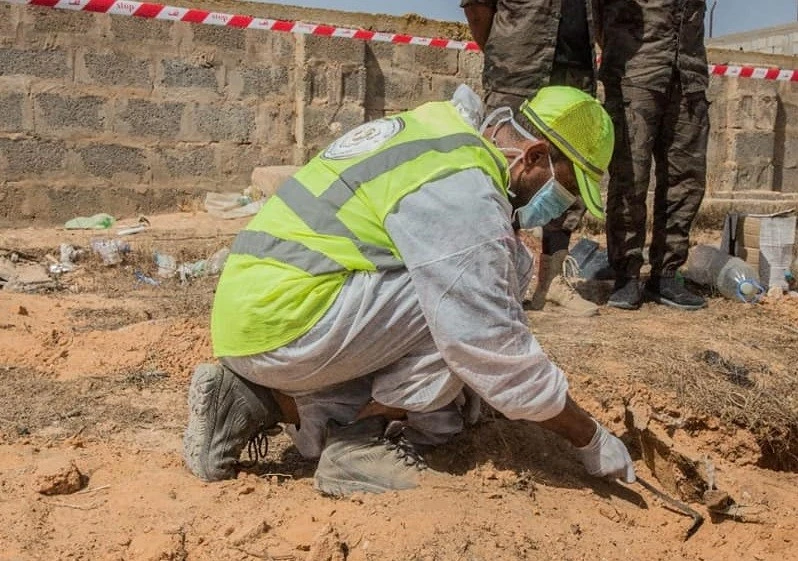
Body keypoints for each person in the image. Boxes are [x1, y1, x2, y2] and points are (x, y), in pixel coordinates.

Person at [183, 84, 635, 496]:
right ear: (534, 156)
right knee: (478, 295)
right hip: (287, 321)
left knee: (477, 289)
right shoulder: (464, 192)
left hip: (255, 316)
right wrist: (588, 436)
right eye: (566, 187)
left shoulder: (440, 130)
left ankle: (255, 398)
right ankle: (361, 441)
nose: (561, 205)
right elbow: (486, 342)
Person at [462, 0, 602, 317]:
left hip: (574, 73)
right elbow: (477, 9)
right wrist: (508, 53)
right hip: (517, 72)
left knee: (566, 178)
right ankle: (496, 285)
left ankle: (551, 285)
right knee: (504, 173)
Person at [596, 0, 709, 311]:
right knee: (630, 177)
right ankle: (626, 273)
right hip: (636, 73)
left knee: (686, 179)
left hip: (689, 74)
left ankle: (666, 274)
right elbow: (598, 13)